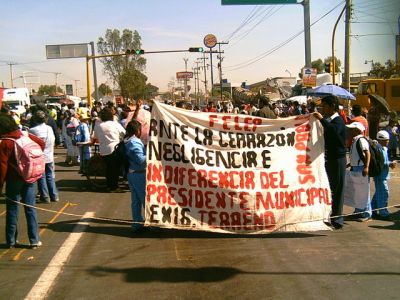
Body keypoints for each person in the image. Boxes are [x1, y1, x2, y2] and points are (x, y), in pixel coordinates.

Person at [0, 114, 45, 248]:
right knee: (30, 208)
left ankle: (11, 240)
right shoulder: (25, 135)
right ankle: (34, 240)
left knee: (13, 209)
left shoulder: (5, 142)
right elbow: (42, 144)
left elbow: (2, 167)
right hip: (30, 176)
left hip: (14, 179)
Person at [313, 95, 346, 229]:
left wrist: (321, 119)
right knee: (329, 188)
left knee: (338, 189)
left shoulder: (338, 121)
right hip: (329, 158)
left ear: (332, 106)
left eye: (325, 106)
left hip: (338, 159)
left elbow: (333, 131)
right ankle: (330, 215)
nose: (323, 109)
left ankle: (338, 219)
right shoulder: (329, 120)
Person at [92, 107, 126, 192]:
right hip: (115, 150)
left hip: (103, 151)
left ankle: (109, 185)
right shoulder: (115, 124)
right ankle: (114, 187)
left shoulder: (99, 126)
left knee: (108, 169)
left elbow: (95, 137)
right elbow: (124, 133)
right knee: (115, 169)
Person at [29, 110, 59, 203]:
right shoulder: (49, 128)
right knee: (50, 175)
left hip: (39, 156)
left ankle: (45, 196)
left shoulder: (32, 130)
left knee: (42, 176)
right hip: (49, 154)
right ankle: (54, 196)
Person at [346, 122, 371, 222]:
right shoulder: (355, 140)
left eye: (351, 129)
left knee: (364, 191)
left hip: (361, 168)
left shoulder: (361, 140)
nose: (349, 131)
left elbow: (367, 153)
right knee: (357, 191)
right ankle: (358, 211)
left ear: (356, 130)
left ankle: (367, 213)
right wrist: (349, 164)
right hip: (356, 167)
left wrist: (366, 167)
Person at [124, 120, 146, 232]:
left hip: (132, 173)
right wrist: (152, 154)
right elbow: (141, 161)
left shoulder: (128, 140)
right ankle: (152, 224)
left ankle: (137, 224)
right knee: (145, 200)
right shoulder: (134, 142)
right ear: (138, 130)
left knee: (136, 201)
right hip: (138, 174)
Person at [371, 130, 397, 220]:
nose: (387, 142)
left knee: (379, 193)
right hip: (379, 175)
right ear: (380, 140)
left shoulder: (384, 149)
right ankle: (383, 213)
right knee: (384, 192)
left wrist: (390, 163)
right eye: (385, 140)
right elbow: (380, 162)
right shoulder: (377, 148)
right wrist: (390, 163)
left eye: (388, 140)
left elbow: (384, 161)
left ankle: (372, 210)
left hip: (383, 174)